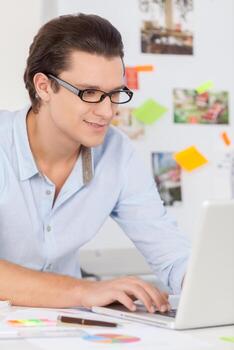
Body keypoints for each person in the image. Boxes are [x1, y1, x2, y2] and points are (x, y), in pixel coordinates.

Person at [0, 13, 190, 313]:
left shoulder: (118, 154)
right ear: (44, 86)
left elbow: (171, 254)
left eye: (115, 94)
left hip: (69, 331)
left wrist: (200, 284)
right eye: (89, 93)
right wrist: (85, 291)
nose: (106, 111)